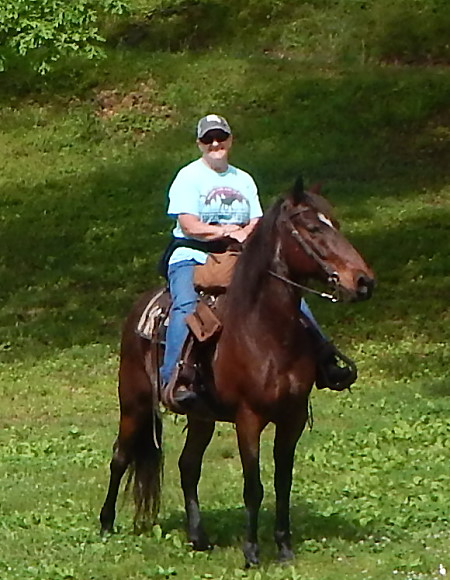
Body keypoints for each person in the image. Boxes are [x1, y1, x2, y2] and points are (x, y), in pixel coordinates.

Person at [159, 114, 353, 406]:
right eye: (208, 139)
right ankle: (176, 378)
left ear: (230, 140)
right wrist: (226, 231)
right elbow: (189, 224)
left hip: (240, 255)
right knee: (185, 304)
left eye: (220, 137)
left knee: (290, 296)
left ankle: (325, 359)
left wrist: (246, 233)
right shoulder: (188, 177)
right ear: (199, 144)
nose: (215, 143)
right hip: (195, 254)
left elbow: (257, 220)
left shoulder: (242, 179)